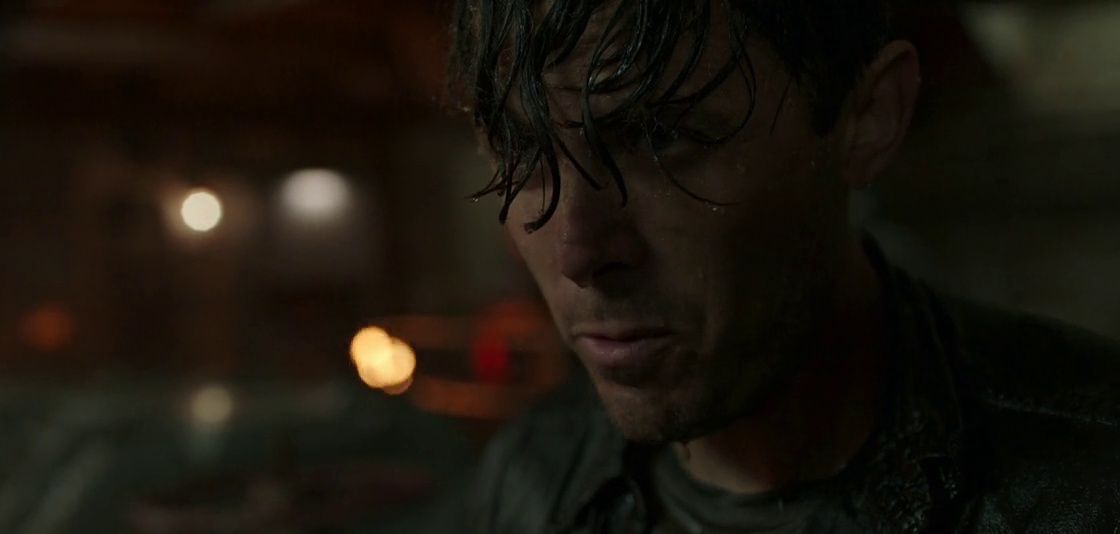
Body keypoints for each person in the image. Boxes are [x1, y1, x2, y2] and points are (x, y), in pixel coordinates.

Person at [446, 0, 1120, 532]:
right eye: (521, 148)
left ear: (869, 118)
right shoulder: (534, 476)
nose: (578, 253)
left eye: (660, 137)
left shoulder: (1089, 481)